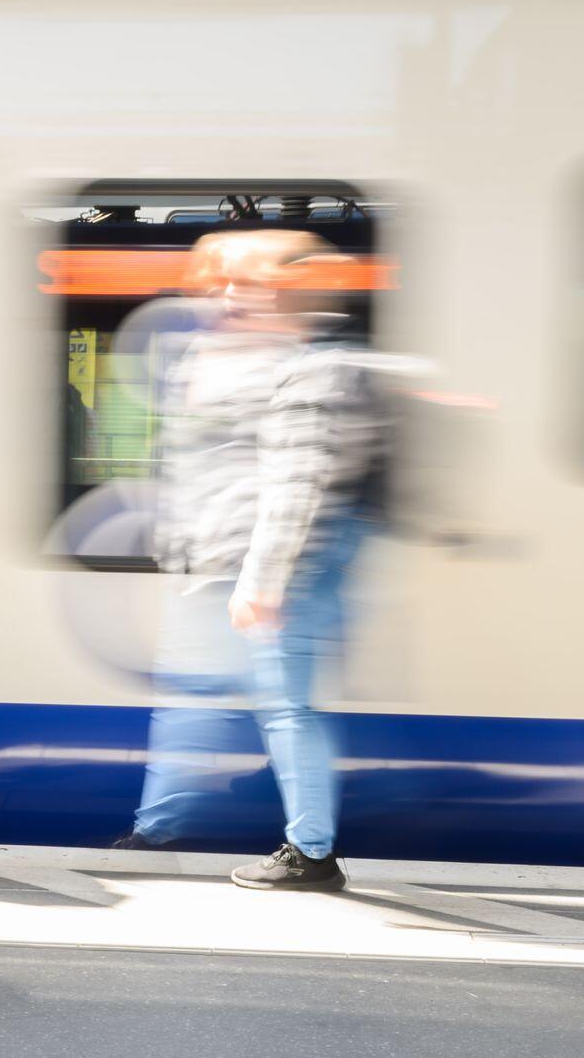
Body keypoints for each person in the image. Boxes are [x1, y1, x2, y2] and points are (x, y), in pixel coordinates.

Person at [114, 231, 386, 892]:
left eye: (250, 284)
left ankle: (310, 854)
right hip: (226, 562)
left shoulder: (312, 370)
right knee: (208, 698)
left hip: (283, 570)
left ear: (288, 292)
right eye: (228, 283)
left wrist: (262, 583)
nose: (229, 294)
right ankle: (159, 831)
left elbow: (296, 487)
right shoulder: (248, 358)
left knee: (286, 708)